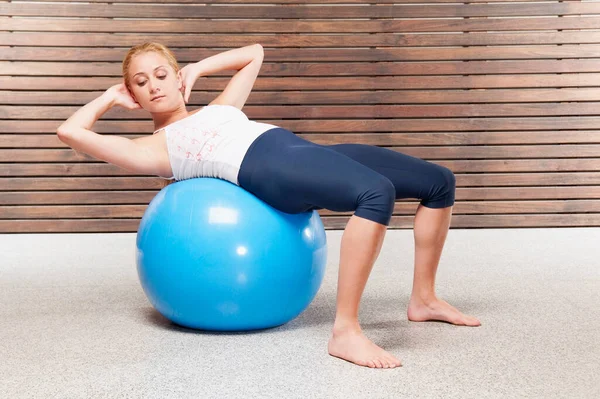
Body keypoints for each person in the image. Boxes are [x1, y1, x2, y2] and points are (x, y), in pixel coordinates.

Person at [57, 42, 481, 369]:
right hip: (267, 169)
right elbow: (70, 131)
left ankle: (423, 299)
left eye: (161, 74)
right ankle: (345, 331)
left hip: (296, 148)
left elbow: (254, 54)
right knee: (375, 193)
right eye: (140, 82)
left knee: (439, 181)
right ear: (133, 93)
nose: (154, 86)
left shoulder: (220, 107)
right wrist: (110, 97)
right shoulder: (152, 149)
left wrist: (200, 68)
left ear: (176, 77)